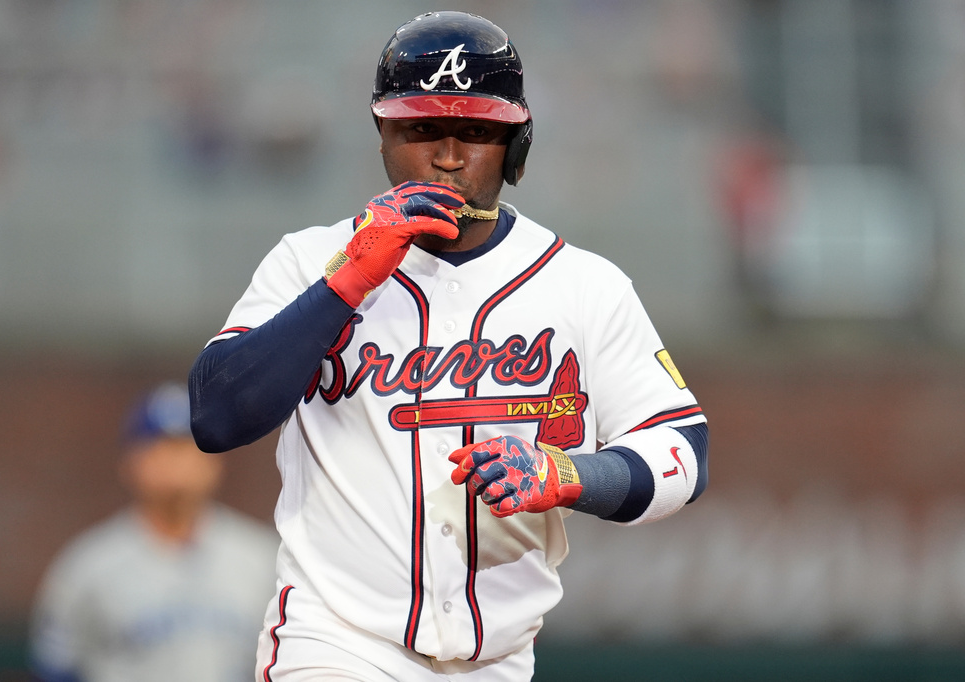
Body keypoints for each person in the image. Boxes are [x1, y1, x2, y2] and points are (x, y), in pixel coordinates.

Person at [188, 11, 709, 681]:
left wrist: (569, 474)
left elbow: (681, 451)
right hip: (336, 641)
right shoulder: (308, 261)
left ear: (515, 144)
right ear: (383, 133)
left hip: (498, 658)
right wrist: (346, 282)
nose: (449, 155)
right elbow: (216, 415)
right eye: (423, 128)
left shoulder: (582, 284)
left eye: (475, 131)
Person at [28, 382, 279, 682]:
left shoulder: (264, 559)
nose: (174, 462)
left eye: (187, 447)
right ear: (129, 462)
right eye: (158, 447)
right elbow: (57, 667)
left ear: (216, 461)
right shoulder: (87, 565)